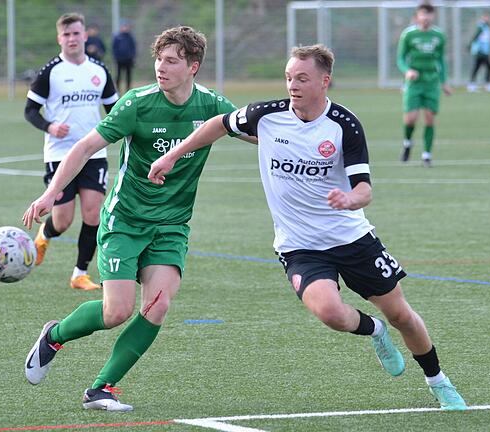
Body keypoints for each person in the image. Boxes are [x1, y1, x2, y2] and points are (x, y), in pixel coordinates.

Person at [148, 44, 467, 411]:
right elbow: (217, 125)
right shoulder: (265, 115)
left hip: (352, 239)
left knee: (401, 315)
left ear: (324, 81)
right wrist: (171, 156)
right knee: (330, 312)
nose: (292, 86)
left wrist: (351, 200)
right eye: (288, 78)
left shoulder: (344, 125)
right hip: (299, 245)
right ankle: (374, 332)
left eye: (302, 78)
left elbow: (364, 188)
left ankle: (438, 381)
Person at [22, 26, 246, 411]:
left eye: (172, 60)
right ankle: (54, 335)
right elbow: (85, 146)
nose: (161, 67)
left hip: (172, 225)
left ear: (193, 66)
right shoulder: (137, 103)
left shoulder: (211, 105)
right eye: (159, 58)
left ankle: (101, 388)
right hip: (125, 220)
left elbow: (255, 130)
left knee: (157, 305)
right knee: (117, 312)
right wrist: (50, 193)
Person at [24, 13, 119, 291]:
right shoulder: (50, 72)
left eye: (76, 33)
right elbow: (30, 110)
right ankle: (45, 234)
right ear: (59, 39)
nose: (72, 39)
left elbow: (114, 110)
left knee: (93, 214)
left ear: (84, 35)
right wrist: (50, 126)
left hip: (94, 154)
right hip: (59, 155)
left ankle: (79, 273)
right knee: (63, 220)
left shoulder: (99, 71)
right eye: (66, 35)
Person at [397, 2, 451, 167]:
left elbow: (441, 60)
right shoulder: (408, 35)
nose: (425, 17)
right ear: (417, 16)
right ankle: (407, 142)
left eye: (429, 14)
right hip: (414, 83)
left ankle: (427, 155)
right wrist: (407, 71)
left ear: (433, 16)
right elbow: (400, 58)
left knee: (429, 118)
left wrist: (444, 82)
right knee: (411, 119)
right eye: (423, 13)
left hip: (431, 82)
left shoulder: (438, 36)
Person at [467, 11, 490, 93]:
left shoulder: (487, 27)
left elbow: (487, 41)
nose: (487, 18)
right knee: (483, 67)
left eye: (488, 17)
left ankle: (477, 85)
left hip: (486, 51)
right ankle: (475, 85)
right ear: (482, 18)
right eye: (485, 17)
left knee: (485, 67)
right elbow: (475, 37)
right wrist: (470, 45)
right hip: (480, 52)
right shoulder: (481, 27)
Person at [112, 20, 136, 93]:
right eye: (123, 26)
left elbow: (133, 47)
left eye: (126, 26)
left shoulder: (130, 37)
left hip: (128, 60)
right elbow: (114, 48)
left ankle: (128, 89)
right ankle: (118, 89)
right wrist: (116, 57)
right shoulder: (117, 37)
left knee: (128, 75)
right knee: (118, 75)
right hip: (119, 60)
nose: (125, 28)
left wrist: (132, 56)